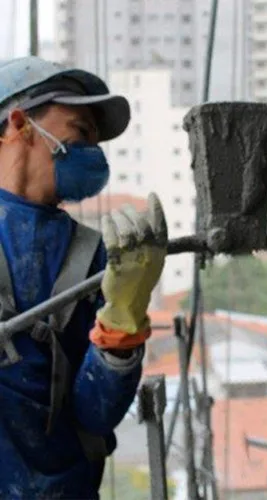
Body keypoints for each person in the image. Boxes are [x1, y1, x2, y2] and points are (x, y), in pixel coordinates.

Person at [0, 56, 168, 499]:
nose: (91, 151)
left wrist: (124, 319)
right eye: (79, 132)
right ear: (19, 123)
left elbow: (93, 414)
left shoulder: (91, 255)